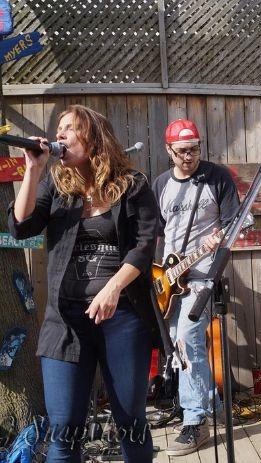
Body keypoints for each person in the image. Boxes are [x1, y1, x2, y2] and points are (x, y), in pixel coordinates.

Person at [9, 105, 159, 462]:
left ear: (93, 137)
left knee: (131, 422)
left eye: (69, 128)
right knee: (64, 431)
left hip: (122, 318)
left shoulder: (132, 185)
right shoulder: (56, 186)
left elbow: (145, 243)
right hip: (65, 324)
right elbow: (21, 226)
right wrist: (32, 170)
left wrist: (113, 287)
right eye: (57, 129)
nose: (59, 135)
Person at [152, 119, 239, 456]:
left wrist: (220, 239)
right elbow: (155, 235)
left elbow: (237, 219)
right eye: (183, 151)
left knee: (188, 341)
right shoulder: (161, 185)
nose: (189, 157)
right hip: (169, 282)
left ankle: (195, 421)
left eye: (195, 149)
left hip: (203, 276)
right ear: (169, 150)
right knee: (180, 347)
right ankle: (209, 402)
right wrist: (156, 276)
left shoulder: (217, 177)